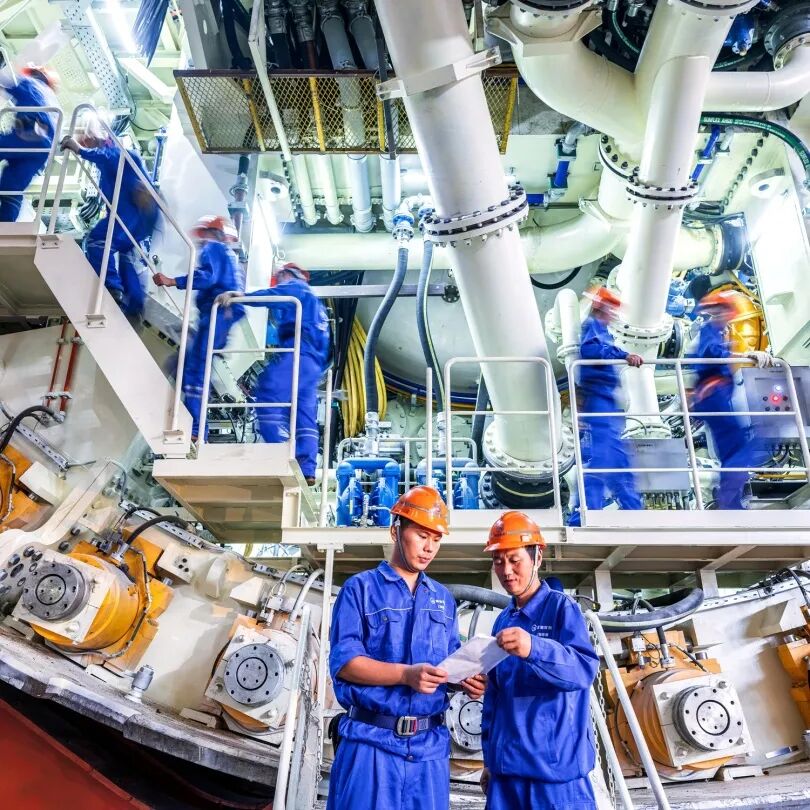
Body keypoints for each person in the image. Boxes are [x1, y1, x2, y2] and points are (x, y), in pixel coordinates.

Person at [327, 486, 486, 810]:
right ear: (395, 530)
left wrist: (463, 680)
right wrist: (406, 675)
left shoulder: (442, 599)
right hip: (371, 744)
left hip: (429, 751)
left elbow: (447, 664)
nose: (429, 548)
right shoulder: (359, 589)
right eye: (422, 536)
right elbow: (345, 663)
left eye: (436, 539)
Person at [480, 511, 599, 810]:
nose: (506, 571)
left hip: (555, 777)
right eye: (498, 561)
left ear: (537, 558)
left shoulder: (562, 609)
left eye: (514, 560)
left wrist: (534, 648)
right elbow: (494, 697)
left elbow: (583, 670)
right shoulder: (503, 620)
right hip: (506, 775)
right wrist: (489, 760)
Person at [217, 262, 330, 484]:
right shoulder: (316, 305)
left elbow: (274, 295)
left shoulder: (297, 287)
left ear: (287, 274)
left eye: (279, 278)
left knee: (267, 393)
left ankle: (275, 453)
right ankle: (307, 467)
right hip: (312, 363)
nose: (278, 282)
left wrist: (242, 297)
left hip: (298, 352)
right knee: (303, 413)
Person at [153, 215, 245, 439]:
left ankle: (196, 430)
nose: (201, 239)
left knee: (195, 370)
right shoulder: (227, 255)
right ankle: (193, 425)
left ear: (211, 232)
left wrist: (173, 281)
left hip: (218, 313)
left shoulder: (213, 248)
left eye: (203, 234)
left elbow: (207, 277)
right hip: (220, 315)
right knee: (183, 365)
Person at [61, 126, 159, 319]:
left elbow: (109, 157)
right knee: (125, 255)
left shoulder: (116, 154)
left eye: (87, 139)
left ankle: (112, 288)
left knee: (97, 241)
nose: (85, 142)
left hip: (132, 213)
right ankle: (135, 305)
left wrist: (79, 150)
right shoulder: (111, 168)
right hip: (140, 217)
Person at [687, 289, 772, 509]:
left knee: (731, 449)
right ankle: (728, 498)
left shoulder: (717, 332)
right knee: (741, 445)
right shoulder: (709, 331)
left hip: (716, 395)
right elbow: (712, 354)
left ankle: (731, 501)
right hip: (713, 394)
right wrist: (747, 355)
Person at [569, 286, 644, 526]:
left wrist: (623, 354)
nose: (613, 313)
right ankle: (584, 515)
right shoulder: (592, 326)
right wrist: (623, 355)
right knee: (602, 459)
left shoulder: (601, 330)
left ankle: (635, 512)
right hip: (599, 399)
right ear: (600, 307)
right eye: (610, 308)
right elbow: (590, 350)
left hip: (607, 401)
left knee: (619, 461)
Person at [0, 65, 59, 222]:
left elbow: (9, 84)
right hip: (42, 152)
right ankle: (5, 226)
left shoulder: (32, 83)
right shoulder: (52, 99)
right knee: (11, 186)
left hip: (27, 137)